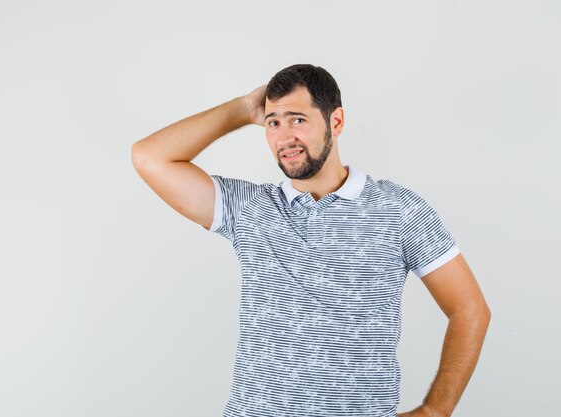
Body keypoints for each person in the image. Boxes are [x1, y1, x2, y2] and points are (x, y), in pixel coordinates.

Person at [131, 64, 491, 417]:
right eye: (273, 122)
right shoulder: (250, 208)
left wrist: (435, 410)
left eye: (298, 120)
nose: (284, 137)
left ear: (336, 122)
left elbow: (470, 308)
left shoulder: (397, 209)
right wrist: (242, 109)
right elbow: (149, 157)